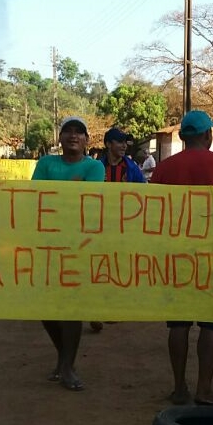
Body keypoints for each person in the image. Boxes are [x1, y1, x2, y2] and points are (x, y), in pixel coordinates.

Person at [151, 110, 213, 406]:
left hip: (175, 257)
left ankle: (179, 388)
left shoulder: (164, 169)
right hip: (211, 258)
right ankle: (204, 388)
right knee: (211, 325)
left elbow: (153, 214)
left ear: (182, 137)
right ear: (207, 136)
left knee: (178, 325)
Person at [31, 116, 105, 392]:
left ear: (87, 140)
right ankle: (64, 359)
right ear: (60, 138)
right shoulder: (46, 163)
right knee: (45, 309)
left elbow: (88, 200)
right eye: (68, 131)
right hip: (46, 243)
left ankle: (67, 367)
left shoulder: (94, 167)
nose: (73, 136)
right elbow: (36, 198)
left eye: (79, 132)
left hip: (80, 245)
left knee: (71, 306)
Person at [91, 127, 146, 332]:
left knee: (118, 266)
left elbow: (142, 193)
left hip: (124, 227)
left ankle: (112, 308)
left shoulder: (131, 168)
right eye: (119, 141)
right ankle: (94, 310)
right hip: (98, 226)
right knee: (96, 266)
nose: (123, 146)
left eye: (125, 142)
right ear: (108, 144)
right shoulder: (96, 166)